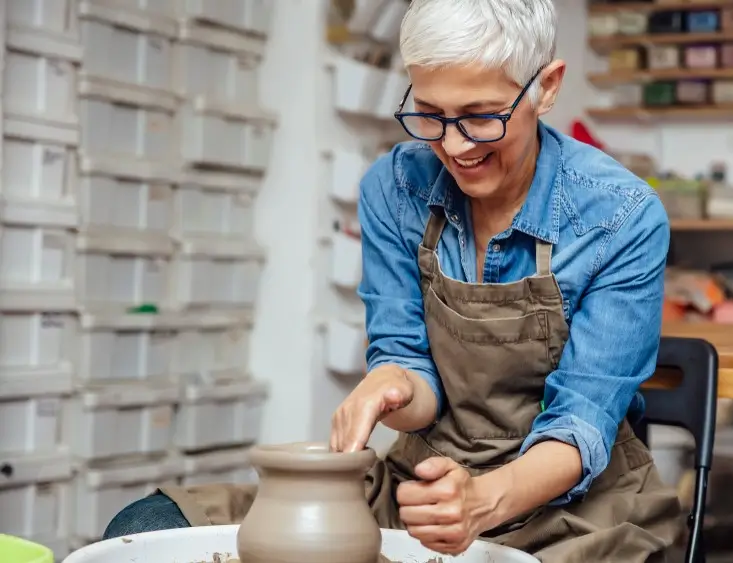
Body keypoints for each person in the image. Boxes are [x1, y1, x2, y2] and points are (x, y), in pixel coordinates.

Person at [103, 0, 678, 560]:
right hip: (417, 485)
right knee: (143, 526)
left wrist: (479, 502)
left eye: (482, 116)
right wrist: (392, 385)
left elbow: (581, 423)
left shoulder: (621, 216)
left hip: (569, 509)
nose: (454, 146)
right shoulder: (396, 187)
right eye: (430, 113)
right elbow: (413, 377)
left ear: (546, 87)